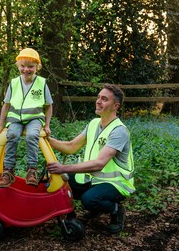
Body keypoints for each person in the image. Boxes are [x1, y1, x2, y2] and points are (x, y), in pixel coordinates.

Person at [46, 84, 135, 234]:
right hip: (93, 178)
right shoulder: (93, 124)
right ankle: (71, 216)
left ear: (115, 106)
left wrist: (64, 167)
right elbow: (71, 146)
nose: (98, 101)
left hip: (116, 183)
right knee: (60, 181)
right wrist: (46, 139)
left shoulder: (119, 131)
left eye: (104, 99)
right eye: (98, 97)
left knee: (89, 200)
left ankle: (116, 210)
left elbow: (99, 164)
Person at [0, 48, 53, 188]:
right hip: (15, 119)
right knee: (12, 135)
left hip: (34, 119)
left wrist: (47, 125)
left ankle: (31, 170)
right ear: (18, 66)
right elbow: (6, 105)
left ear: (37, 67)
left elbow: (49, 106)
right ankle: (8, 172)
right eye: (23, 66)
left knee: (32, 135)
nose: (26, 69)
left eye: (30, 66)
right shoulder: (14, 83)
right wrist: (1, 125)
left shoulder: (42, 83)